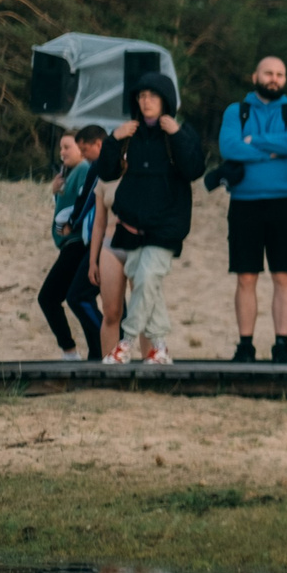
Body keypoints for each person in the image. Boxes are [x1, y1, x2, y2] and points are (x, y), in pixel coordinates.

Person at [93, 74, 203, 365]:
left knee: (145, 279)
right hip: (131, 227)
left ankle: (125, 344)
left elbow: (194, 169)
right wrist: (113, 140)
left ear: (166, 100)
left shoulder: (180, 132)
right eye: (141, 96)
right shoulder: (129, 134)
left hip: (166, 228)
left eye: (153, 96)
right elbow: (106, 173)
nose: (146, 101)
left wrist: (177, 134)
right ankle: (160, 348)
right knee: (149, 286)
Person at [218, 55, 287, 363]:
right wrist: (270, 151)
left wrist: (253, 142)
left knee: (284, 276)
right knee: (246, 277)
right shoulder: (236, 111)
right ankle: (245, 345)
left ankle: (281, 343)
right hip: (244, 203)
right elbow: (229, 147)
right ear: (254, 76)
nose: (274, 78)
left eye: (280, 74)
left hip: (285, 202)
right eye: (268, 73)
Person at [39, 126, 106, 362]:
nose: (62, 152)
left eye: (68, 147)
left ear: (83, 148)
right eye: (61, 148)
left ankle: (86, 350)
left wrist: (66, 225)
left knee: (56, 297)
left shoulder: (85, 169)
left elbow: (79, 209)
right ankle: (94, 352)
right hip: (72, 245)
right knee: (74, 298)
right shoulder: (71, 173)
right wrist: (55, 192)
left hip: (79, 245)